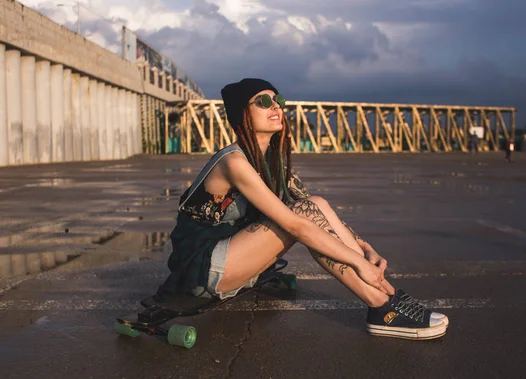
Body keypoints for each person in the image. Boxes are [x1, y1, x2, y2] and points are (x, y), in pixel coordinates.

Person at [152, 78, 449, 340]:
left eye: (278, 100)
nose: (276, 107)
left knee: (314, 204)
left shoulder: (271, 160)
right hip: (203, 269)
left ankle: (389, 297)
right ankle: (381, 306)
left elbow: (314, 208)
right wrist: (357, 263)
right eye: (264, 101)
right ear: (242, 115)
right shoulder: (234, 162)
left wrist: (362, 246)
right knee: (303, 217)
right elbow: (297, 225)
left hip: (234, 257)